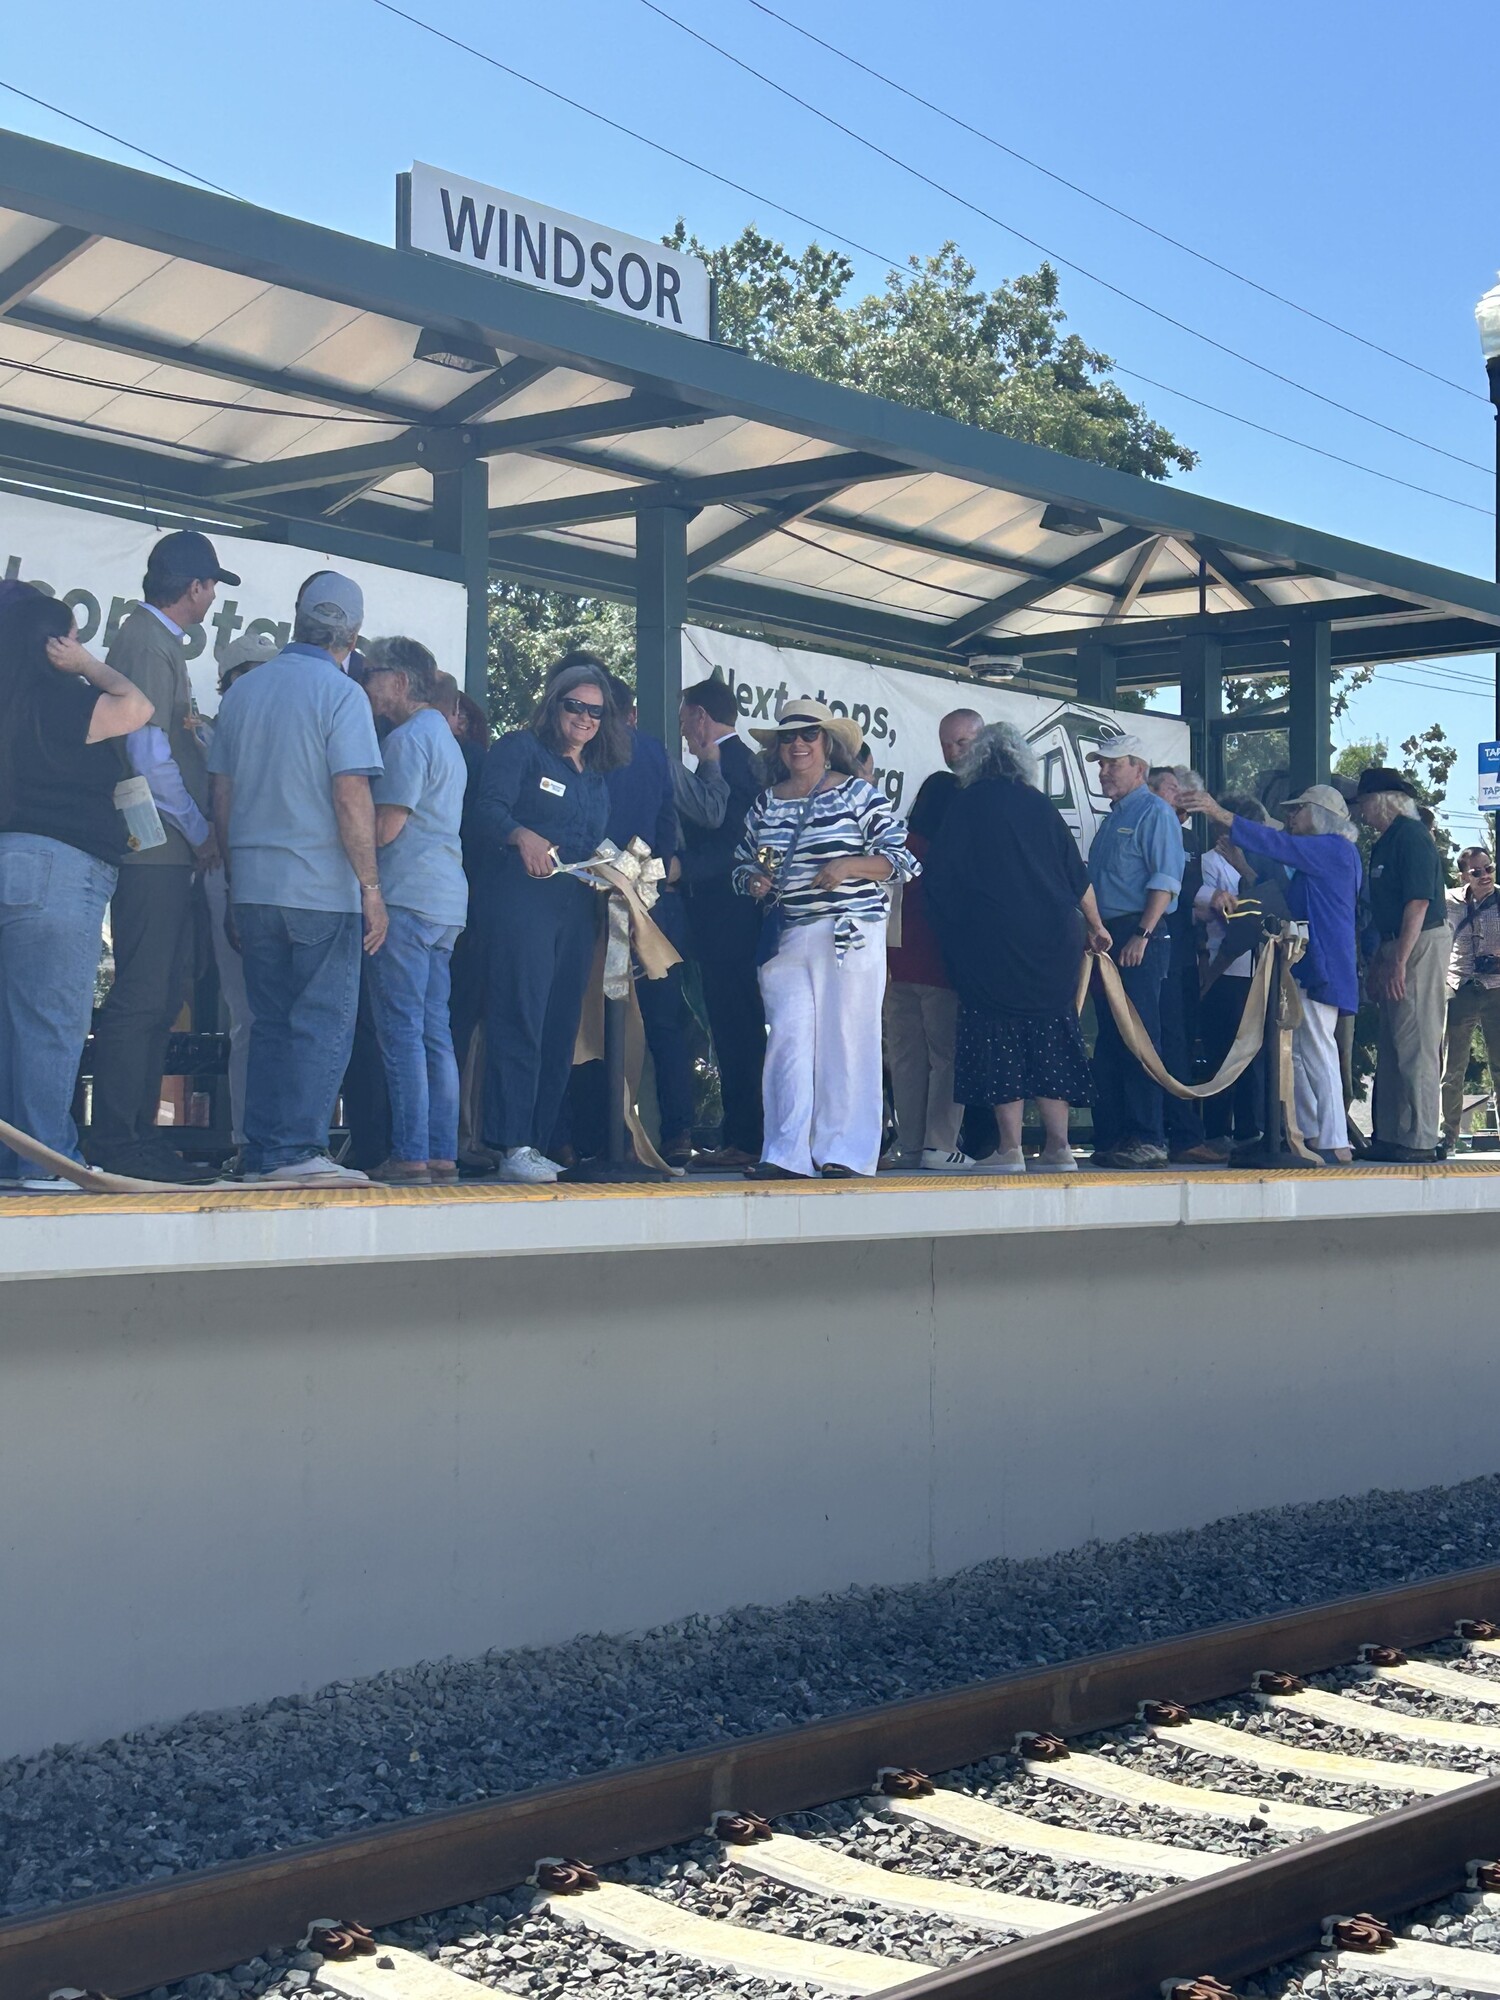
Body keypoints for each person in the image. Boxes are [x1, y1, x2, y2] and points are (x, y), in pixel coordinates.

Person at [207, 571, 386, 1185]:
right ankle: (298, 1153)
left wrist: (233, 887)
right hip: (320, 889)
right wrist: (371, 888)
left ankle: (262, 1152)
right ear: (353, 636)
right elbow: (351, 795)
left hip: (253, 885)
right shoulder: (342, 696)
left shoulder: (244, 693)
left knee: (271, 1022)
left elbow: (221, 799)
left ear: (295, 619)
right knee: (321, 1021)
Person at [87, 529, 239, 1182]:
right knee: (144, 994)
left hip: (162, 850)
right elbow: (148, 755)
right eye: (209, 587)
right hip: (151, 849)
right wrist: (202, 828)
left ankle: (137, 1138)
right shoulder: (147, 639)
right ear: (196, 587)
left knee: (158, 994)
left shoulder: (151, 640)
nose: (209, 599)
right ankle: (117, 1141)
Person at [0, 594, 152, 1191]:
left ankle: (15, 1160)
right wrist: (88, 664)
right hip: (57, 865)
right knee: (48, 1023)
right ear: (53, 645)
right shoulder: (63, 697)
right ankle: (44, 1162)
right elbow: (135, 704)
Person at [733, 697, 915, 1179]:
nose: (798, 744)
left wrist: (848, 866)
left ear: (827, 743)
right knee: (787, 1041)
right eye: (788, 736)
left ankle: (847, 1153)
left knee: (847, 1039)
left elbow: (902, 862)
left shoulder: (859, 794)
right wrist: (753, 880)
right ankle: (785, 1153)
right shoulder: (766, 802)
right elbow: (741, 865)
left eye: (808, 735)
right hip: (788, 935)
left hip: (849, 932)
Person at [924, 723, 1110, 1172]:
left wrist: (953, 932)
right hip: (1051, 940)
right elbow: (1076, 876)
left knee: (998, 1035)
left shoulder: (966, 805)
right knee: (1052, 1032)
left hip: (990, 942)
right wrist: (1097, 925)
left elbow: (940, 881)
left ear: (977, 760)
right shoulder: (1040, 805)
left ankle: (1010, 1149)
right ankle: (1059, 1147)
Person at [471, 660, 628, 1183]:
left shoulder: (597, 774)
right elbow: (485, 810)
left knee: (561, 1027)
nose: (585, 718)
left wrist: (624, 871)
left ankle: (534, 1142)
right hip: (523, 902)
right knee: (521, 1016)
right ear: (554, 704)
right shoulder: (521, 749)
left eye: (596, 711)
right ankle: (510, 1142)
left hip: (577, 907)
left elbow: (590, 843)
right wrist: (520, 835)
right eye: (575, 706)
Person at [1180, 782, 1361, 1161]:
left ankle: (1334, 1140)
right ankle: (1309, 1134)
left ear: (1320, 816)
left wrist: (1221, 813)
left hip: (1319, 966)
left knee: (1317, 1048)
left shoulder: (1334, 849)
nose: (1290, 817)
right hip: (1308, 965)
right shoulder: (1328, 855)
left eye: (1298, 810)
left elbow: (1280, 846)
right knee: (1298, 1052)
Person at [361, 637, 468, 1186]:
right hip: (447, 901)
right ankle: (441, 1153)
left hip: (406, 896)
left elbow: (386, 827)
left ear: (401, 681)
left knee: (401, 1031)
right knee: (434, 1032)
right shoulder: (445, 737)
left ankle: (409, 1154)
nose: (367, 685)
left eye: (374, 674)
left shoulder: (406, 740)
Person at [594, 667, 695, 1167]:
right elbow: (666, 826)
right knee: (663, 1020)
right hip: (649, 895)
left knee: (591, 1017)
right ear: (630, 710)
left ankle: (587, 1134)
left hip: (594, 892)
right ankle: (678, 1132)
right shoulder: (655, 751)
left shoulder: (589, 747)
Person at [882, 706, 982, 1170]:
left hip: (895, 965)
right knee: (946, 1057)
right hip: (939, 965)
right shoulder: (951, 850)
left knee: (905, 1059)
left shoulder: (898, 846)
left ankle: (909, 1143)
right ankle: (941, 1145)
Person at [1083, 734, 1186, 1168]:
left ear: (1139, 770)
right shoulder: (1113, 818)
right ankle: (1114, 1135)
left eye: (1113, 764)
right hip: (1106, 935)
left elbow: (1165, 880)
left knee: (1140, 1036)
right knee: (1110, 1039)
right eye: (1101, 764)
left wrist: (1142, 934)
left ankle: (1149, 1137)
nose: (1104, 771)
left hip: (1137, 932)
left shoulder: (1156, 813)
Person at [198, 629, 280, 1160]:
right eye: (256, 672)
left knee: (281, 1015)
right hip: (231, 875)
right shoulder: (211, 735)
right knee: (250, 1015)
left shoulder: (281, 729)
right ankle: (250, 1141)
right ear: (234, 682)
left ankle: (284, 1141)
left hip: (280, 881)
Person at [673, 675, 761, 1167]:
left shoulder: (736, 765)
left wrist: (685, 867)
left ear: (701, 717)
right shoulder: (741, 762)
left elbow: (738, 845)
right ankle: (742, 1134)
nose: (683, 731)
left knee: (737, 1029)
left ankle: (746, 1139)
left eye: (685, 719)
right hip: (723, 923)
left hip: (731, 920)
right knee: (732, 1029)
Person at [1354, 766, 1448, 1162]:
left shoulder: (1411, 837)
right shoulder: (1388, 840)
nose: (1360, 811)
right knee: (1393, 1046)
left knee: (1417, 1042)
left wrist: (1400, 960)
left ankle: (1423, 1138)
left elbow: (1418, 902)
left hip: (1419, 941)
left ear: (1382, 801)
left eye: (1363, 802)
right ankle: (1391, 1134)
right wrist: (1382, 958)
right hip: (1398, 942)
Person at [1146, 766, 1220, 1166]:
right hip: (1153, 947)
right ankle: (1163, 1132)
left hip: (1186, 952)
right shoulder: (1145, 824)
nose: (1179, 798)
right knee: (1161, 1038)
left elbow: (1188, 888)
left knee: (1182, 1038)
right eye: (1172, 790)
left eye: (1183, 792)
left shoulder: (1191, 837)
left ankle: (1184, 1133)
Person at [1191, 794, 1271, 1152]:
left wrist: (1245, 866)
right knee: (1222, 1051)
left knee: (1254, 1053)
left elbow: (1267, 904)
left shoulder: (1260, 864)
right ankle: (1217, 1129)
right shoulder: (1208, 862)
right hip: (1223, 968)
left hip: (1259, 970)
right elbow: (1231, 916)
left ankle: (1250, 1128)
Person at [1442, 846, 1500, 1150]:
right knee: (1452, 1069)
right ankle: (1448, 1136)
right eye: (1477, 872)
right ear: (1462, 874)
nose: (1485, 876)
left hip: (1497, 989)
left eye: (1489, 868)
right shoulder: (1448, 900)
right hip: (1460, 987)